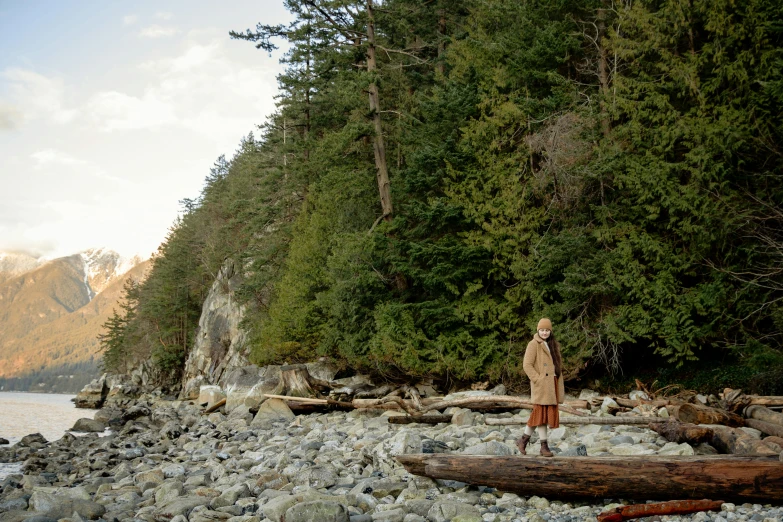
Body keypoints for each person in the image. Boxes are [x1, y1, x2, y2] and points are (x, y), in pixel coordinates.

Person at [516, 318, 565, 457]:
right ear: (538, 330)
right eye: (542, 330)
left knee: (542, 416)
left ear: (550, 331)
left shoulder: (554, 345)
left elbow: (557, 365)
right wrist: (538, 379)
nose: (544, 332)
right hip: (542, 385)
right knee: (539, 414)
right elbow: (527, 365)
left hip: (552, 384)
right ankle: (537, 445)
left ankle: (528, 442)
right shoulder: (533, 344)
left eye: (547, 330)